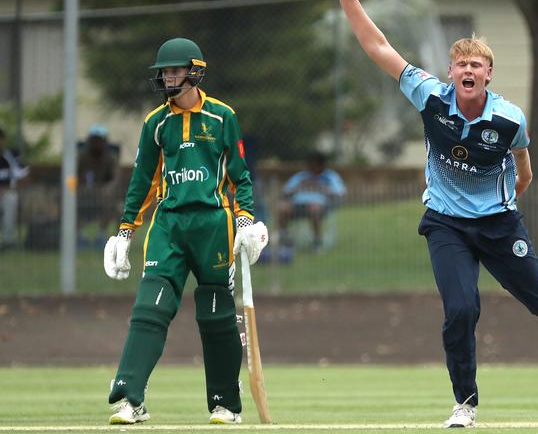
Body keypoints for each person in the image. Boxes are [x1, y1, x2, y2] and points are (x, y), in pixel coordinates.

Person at [334, 0, 538, 429]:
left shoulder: (508, 118)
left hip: (499, 223)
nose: (468, 69)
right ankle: (465, 402)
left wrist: (511, 198)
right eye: (461, 62)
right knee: (461, 309)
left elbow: (524, 167)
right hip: (446, 224)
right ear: (451, 71)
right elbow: (379, 47)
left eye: (477, 64)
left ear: (488, 75)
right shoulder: (430, 96)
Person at [103, 38, 268, 425]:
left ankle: (225, 402)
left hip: (213, 223)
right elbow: (142, 181)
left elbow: (239, 175)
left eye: (174, 71)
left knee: (215, 314)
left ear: (194, 72)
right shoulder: (155, 123)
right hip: (169, 225)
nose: (167, 77)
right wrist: (126, 231)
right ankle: (130, 398)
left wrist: (245, 219)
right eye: (164, 71)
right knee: (150, 307)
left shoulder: (222, 116)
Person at [277, 150, 345, 254]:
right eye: (309, 164)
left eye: (314, 164)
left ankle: (317, 241)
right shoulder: (301, 176)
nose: (310, 167)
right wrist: (299, 187)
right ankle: (284, 240)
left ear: (321, 164)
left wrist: (320, 187)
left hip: (321, 206)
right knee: (282, 208)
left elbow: (339, 194)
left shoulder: (330, 176)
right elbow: (285, 193)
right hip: (298, 205)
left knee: (314, 208)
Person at [77, 124, 119, 248]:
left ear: (104, 142)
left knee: (111, 202)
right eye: (94, 140)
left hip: (103, 195)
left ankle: (101, 236)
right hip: (84, 194)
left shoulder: (111, 158)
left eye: (99, 140)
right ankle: (80, 237)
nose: (96, 144)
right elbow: (73, 176)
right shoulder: (81, 157)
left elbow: (115, 179)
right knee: (71, 201)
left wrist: (108, 188)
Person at [0, 127, 29, 249]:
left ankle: (8, 241)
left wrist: (11, 188)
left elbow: (24, 176)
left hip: (8, 193)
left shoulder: (10, 156)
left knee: (10, 199)